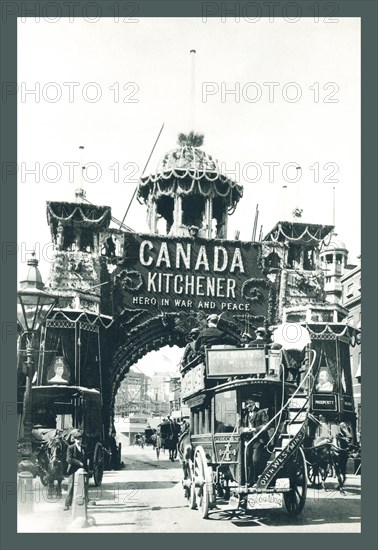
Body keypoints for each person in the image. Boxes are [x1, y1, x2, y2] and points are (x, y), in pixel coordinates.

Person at [241, 398, 271, 485]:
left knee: (255, 460)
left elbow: (266, 425)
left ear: (253, 404)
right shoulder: (245, 415)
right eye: (247, 405)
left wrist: (255, 429)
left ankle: (257, 480)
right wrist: (244, 429)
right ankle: (249, 481)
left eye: (249, 405)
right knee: (248, 460)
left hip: (259, 440)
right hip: (248, 440)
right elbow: (241, 426)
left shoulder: (261, 412)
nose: (248, 407)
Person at [64, 429, 88, 511]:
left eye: (80, 439)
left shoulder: (84, 448)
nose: (79, 441)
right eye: (77, 439)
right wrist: (79, 463)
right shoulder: (70, 448)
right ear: (74, 439)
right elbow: (69, 459)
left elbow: (86, 459)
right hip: (73, 470)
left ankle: (83, 502)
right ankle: (67, 504)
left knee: (83, 487)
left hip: (82, 471)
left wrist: (86, 468)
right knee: (71, 488)